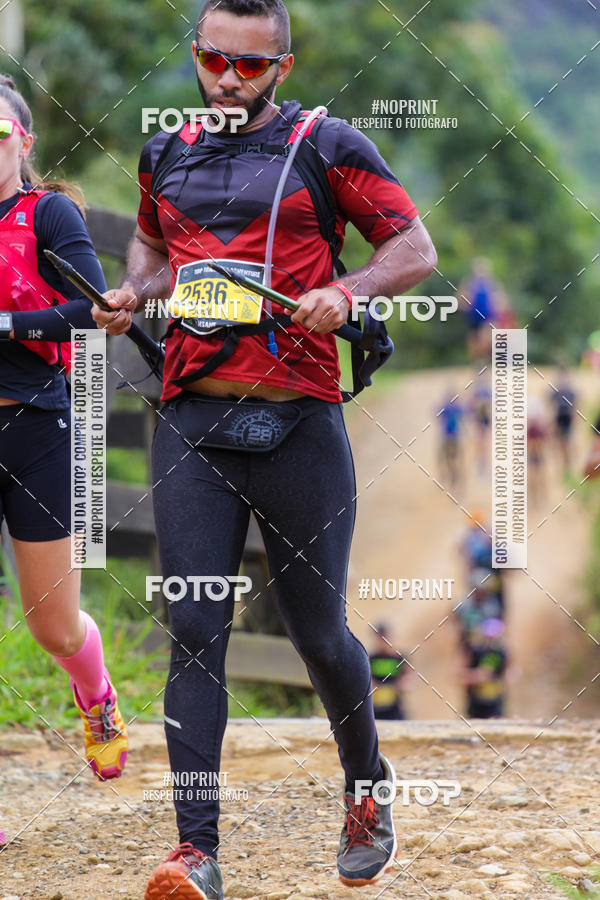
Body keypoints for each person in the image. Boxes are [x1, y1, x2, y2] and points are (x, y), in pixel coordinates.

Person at [93, 1, 437, 895]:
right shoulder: (166, 149)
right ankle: (195, 851)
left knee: (315, 633)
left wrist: (351, 291)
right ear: (198, 56)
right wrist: (133, 292)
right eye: (214, 60)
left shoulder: (327, 146)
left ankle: (367, 790)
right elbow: (153, 246)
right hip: (193, 422)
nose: (228, 79)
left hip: (299, 423)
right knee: (197, 630)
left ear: (282, 67)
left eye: (250, 67)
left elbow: (414, 247)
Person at [0, 76, 128, 802]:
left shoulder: (46, 215)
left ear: (23, 140)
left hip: (38, 426)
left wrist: (10, 326)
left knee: (51, 626)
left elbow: (94, 306)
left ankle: (96, 689)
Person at [459, 618, 508, 719]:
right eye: (489, 636)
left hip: (495, 703)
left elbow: (506, 675)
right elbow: (459, 675)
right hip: (476, 703)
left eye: (494, 636)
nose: (491, 639)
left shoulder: (502, 653)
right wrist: (476, 676)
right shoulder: (474, 652)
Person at [369, 625, 409, 720]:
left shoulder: (399, 658)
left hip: (395, 708)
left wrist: (396, 686)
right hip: (376, 708)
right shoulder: (372, 658)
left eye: (385, 638)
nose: (382, 642)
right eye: (380, 638)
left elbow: (408, 680)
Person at [549, 365, 576, 474]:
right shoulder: (556, 391)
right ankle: (559, 467)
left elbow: (575, 405)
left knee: (566, 443)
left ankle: (567, 466)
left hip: (567, 418)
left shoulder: (570, 392)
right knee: (557, 443)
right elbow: (551, 404)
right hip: (558, 418)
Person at [437, 390, 465, 488]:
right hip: (455, 437)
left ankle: (450, 475)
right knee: (454, 458)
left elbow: (437, 415)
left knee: (446, 458)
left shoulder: (444, 407)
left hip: (447, 437)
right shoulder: (458, 407)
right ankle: (454, 475)